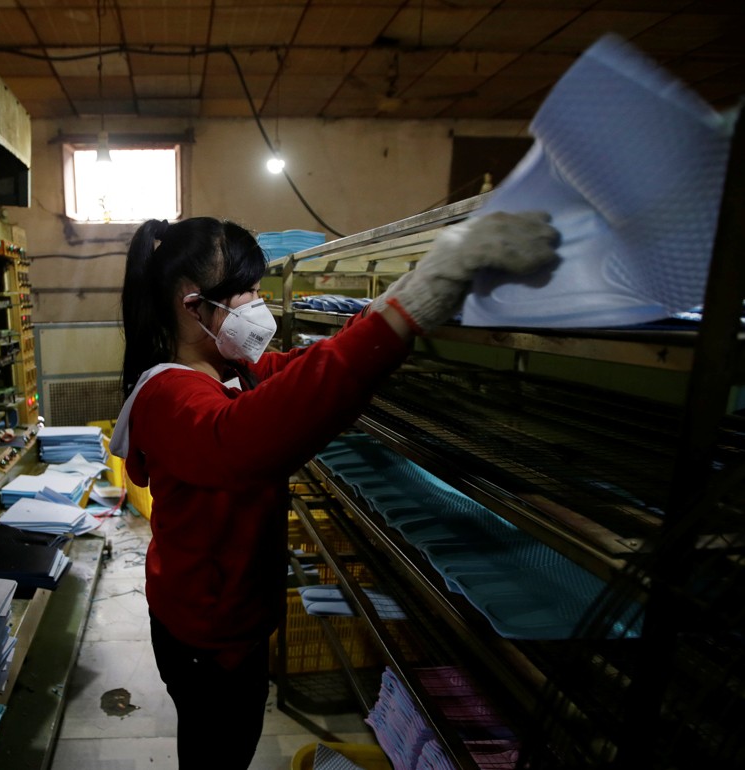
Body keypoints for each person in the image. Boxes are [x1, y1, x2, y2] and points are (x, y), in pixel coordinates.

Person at [109, 212, 559, 769]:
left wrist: (395, 304)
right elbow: (248, 436)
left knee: (224, 745)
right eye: (245, 291)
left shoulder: (229, 371)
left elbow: (305, 371)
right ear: (191, 301)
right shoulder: (171, 397)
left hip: (230, 624)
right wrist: (412, 305)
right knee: (216, 752)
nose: (256, 303)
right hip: (206, 639)